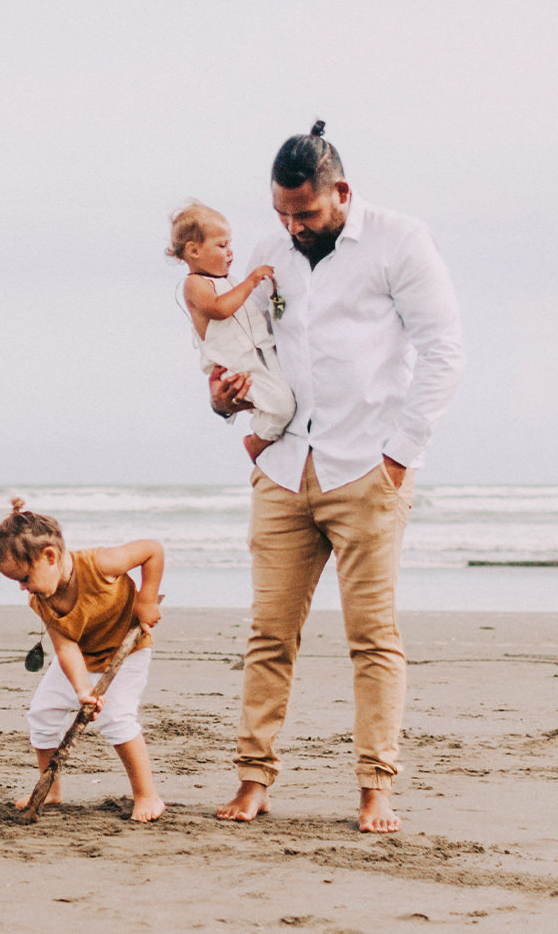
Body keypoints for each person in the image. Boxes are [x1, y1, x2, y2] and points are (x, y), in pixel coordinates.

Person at [209, 121, 464, 833]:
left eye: (307, 213)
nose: (293, 227)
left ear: (341, 192)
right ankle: (254, 778)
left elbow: (444, 351)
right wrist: (226, 401)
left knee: (372, 638)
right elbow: (242, 346)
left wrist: (400, 454)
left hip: (368, 470)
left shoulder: (400, 241)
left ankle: (375, 787)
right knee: (268, 635)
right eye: (282, 213)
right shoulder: (269, 255)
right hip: (286, 468)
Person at [0, 498, 168, 822]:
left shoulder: (100, 564)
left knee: (117, 718)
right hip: (83, 656)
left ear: (50, 557)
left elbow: (152, 549)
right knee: (42, 713)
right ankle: (51, 789)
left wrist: (145, 598)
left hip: (127, 652)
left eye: (25, 578)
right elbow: (67, 648)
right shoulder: (40, 600)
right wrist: (83, 689)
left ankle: (147, 795)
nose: (22, 588)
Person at [171, 201, 295, 454]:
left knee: (282, 401)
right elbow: (219, 308)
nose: (230, 252)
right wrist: (251, 282)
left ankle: (264, 432)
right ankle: (257, 442)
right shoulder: (194, 284)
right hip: (238, 364)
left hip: (260, 354)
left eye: (230, 245)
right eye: (222, 245)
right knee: (282, 406)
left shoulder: (229, 281)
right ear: (194, 251)